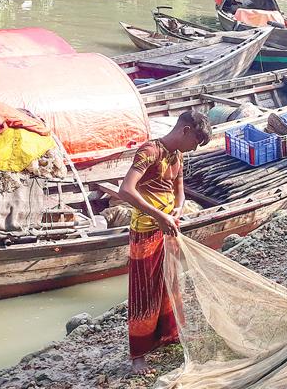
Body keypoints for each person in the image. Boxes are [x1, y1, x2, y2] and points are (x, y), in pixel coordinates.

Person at [118, 110, 211, 374]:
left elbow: (179, 194)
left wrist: (177, 212)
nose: (195, 148)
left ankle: (166, 335)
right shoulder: (150, 152)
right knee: (144, 293)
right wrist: (159, 216)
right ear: (185, 131)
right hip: (146, 230)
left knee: (169, 284)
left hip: (168, 228)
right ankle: (138, 355)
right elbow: (126, 190)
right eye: (196, 141)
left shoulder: (177, 155)